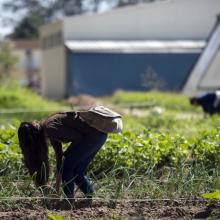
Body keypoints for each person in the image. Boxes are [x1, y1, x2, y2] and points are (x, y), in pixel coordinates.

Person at [18, 110, 108, 199]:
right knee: (77, 171)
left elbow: (78, 138)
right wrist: (57, 188)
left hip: (93, 136)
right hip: (99, 135)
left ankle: (68, 199)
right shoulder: (49, 129)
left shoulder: (50, 129)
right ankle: (90, 196)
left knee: (67, 169)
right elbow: (59, 156)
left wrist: (68, 153)